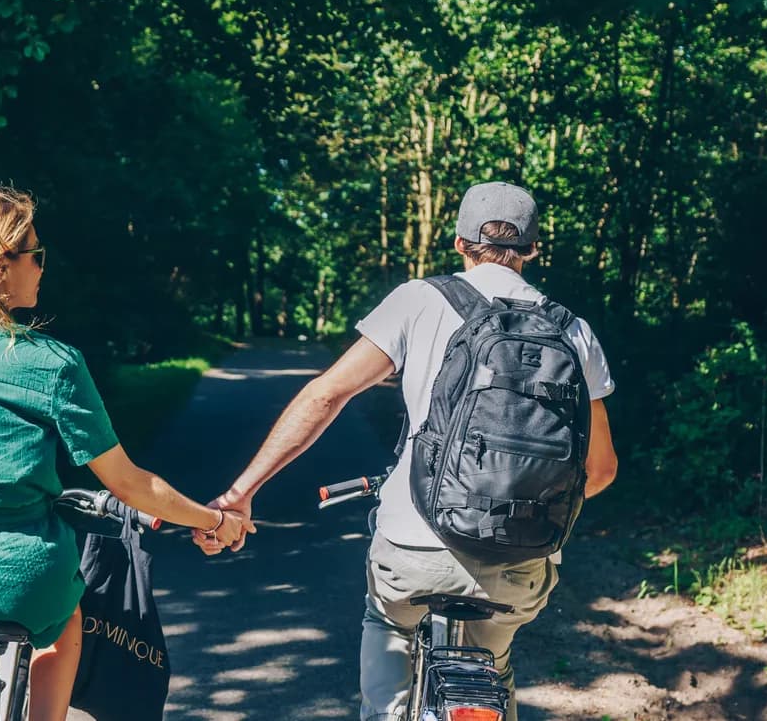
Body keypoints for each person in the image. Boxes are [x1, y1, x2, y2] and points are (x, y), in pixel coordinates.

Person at [195, 182, 619, 721]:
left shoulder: (420, 300)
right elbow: (600, 469)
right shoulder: (573, 332)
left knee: (389, 620)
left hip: (415, 548)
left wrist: (241, 493)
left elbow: (326, 395)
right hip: (522, 562)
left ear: (461, 243)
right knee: (493, 661)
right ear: (532, 250)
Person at [0, 187, 254, 721]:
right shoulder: (51, 362)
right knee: (61, 627)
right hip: (24, 576)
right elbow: (130, 484)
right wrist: (213, 519)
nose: (42, 268)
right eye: (35, 254)